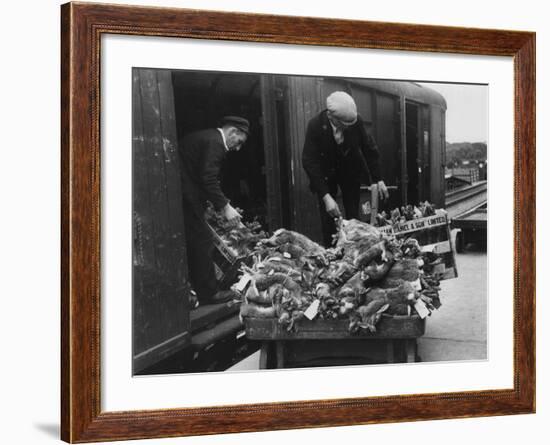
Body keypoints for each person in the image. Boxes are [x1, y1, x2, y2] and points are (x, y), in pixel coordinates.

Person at [178, 116, 250, 305]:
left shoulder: (208, 138)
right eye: (239, 141)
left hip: (187, 194)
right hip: (187, 196)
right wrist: (225, 207)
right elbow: (208, 178)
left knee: (195, 241)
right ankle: (209, 293)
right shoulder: (216, 143)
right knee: (203, 241)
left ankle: (196, 288)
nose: (238, 147)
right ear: (232, 132)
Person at [302, 91, 389, 246]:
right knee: (329, 217)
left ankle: (355, 249)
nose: (348, 128)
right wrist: (326, 196)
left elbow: (369, 149)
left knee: (353, 215)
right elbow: (309, 161)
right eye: (344, 124)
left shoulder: (356, 122)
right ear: (331, 117)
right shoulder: (315, 125)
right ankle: (332, 252)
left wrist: (378, 178)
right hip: (326, 175)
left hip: (350, 171)